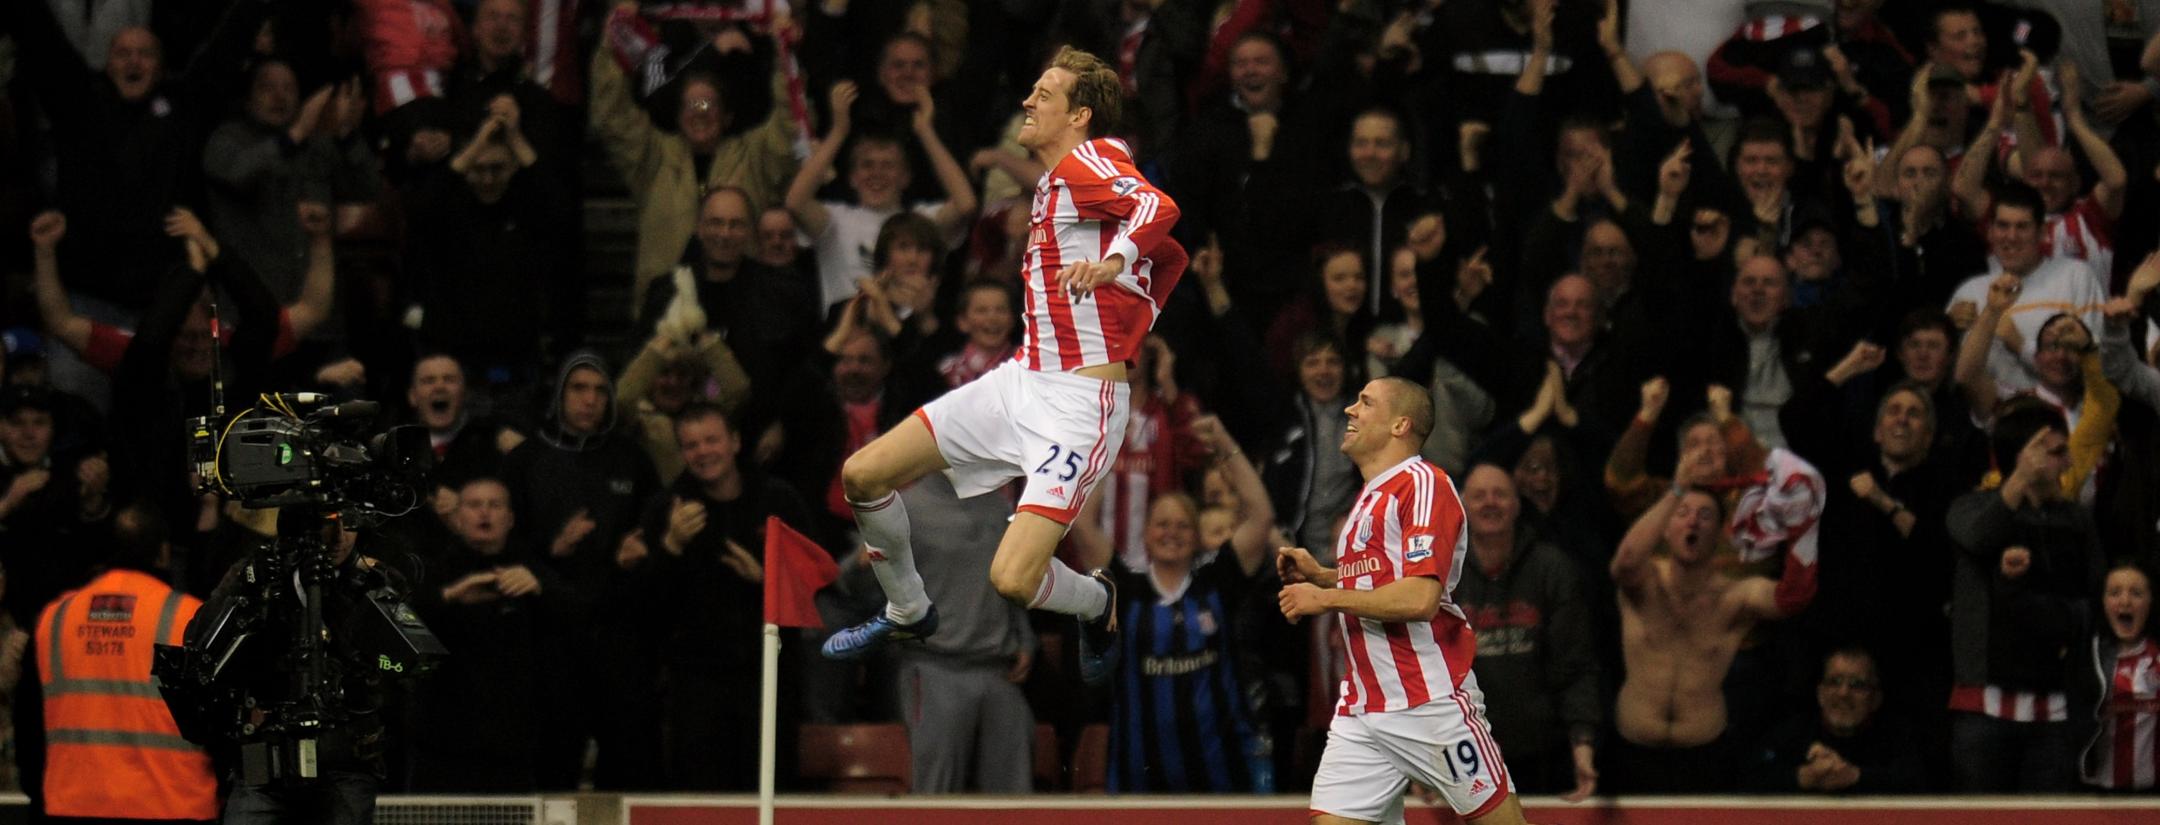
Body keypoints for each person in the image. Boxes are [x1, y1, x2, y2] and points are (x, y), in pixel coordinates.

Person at [818, 47, 1185, 688]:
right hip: (1022, 380)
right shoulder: (1053, 181)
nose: (1027, 101)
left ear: (1080, 114)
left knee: (1012, 579)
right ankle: (909, 608)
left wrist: (1114, 262)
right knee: (864, 475)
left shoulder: (1092, 158)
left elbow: (1158, 208)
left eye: (1044, 94)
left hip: (1078, 407)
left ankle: (1097, 601)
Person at [1276, 376, 1528, 825]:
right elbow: (1382, 579)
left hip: (1428, 703)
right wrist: (1323, 574)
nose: (1350, 410)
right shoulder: (1370, 495)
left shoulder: (1423, 485)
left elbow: (1419, 598)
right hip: (1364, 708)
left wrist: (1326, 597)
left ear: (1400, 425)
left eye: (1365, 402)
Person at [1069, 414, 1276, 793]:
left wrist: (1224, 442)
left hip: (1221, 776)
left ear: (1196, 536)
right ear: (1146, 534)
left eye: (1182, 525)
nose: (1171, 533)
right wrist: (1109, 451)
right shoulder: (1124, 589)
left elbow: (1261, 515)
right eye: (1162, 524)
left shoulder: (1218, 583)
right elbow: (1082, 524)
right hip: (1139, 776)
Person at [1607, 440, 1819, 793]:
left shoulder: (1735, 597)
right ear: (1666, 526)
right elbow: (1625, 562)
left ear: (1720, 534)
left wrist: (1803, 523)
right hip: (1633, 753)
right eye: (1683, 513)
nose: (1693, 521)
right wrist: (1677, 489)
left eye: (1705, 516)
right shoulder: (1645, 583)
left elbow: (1794, 597)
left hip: (1703, 757)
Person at [1945, 398, 2104, 793]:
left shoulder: (2077, 520)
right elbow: (1978, 537)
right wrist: (2017, 480)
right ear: (2025, 457)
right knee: (1980, 819)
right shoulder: (1969, 507)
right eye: (2056, 452)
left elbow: (2096, 596)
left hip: (2057, 709)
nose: (2068, 462)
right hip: (1985, 706)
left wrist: (2064, 619)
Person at [35, 504, 216, 822]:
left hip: (74, 805)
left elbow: (30, 721)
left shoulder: (57, 617)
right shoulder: (186, 617)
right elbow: (217, 721)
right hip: (171, 804)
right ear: (163, 552)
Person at [1451, 464, 1601, 800]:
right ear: (1462, 507)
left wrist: (1583, 745)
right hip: (1463, 756)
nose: (1490, 502)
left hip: (1542, 756)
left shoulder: (1552, 569)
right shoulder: (1443, 574)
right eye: (1479, 496)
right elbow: (1425, 675)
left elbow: (1576, 666)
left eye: (1500, 494)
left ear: (1517, 504)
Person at [1745, 647, 1926, 793]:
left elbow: (1918, 781)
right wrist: (1803, 777)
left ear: (1876, 699)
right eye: (1834, 682)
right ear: (1820, 693)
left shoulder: (1897, 735)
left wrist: (1854, 776)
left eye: (1857, 685)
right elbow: (1750, 778)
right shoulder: (1792, 732)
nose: (1843, 693)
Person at [2074, 561, 2160, 790]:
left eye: (2136, 593)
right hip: (2096, 791)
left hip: (2152, 793)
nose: (2125, 601)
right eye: (2114, 593)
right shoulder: (2087, 656)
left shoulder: (2157, 655)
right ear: (2102, 602)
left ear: (2151, 601)